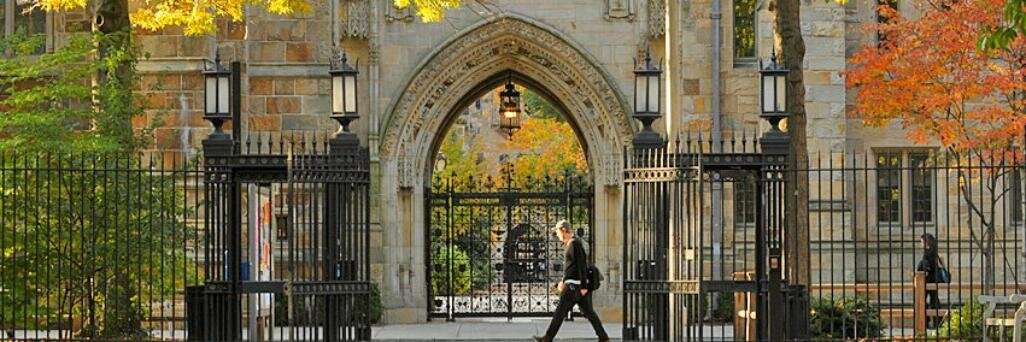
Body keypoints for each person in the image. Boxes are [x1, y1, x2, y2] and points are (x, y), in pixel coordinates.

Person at [534, 220, 609, 342]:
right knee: (589, 313)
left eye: (557, 232)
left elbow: (581, 266)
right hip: (574, 285)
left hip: (574, 287)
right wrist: (563, 280)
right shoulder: (571, 244)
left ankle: (548, 338)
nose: (557, 236)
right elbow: (571, 267)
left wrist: (584, 286)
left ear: (564, 230)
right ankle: (603, 337)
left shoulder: (575, 244)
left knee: (560, 312)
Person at [916, 233, 944, 329]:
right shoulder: (933, 252)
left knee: (923, 301)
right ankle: (937, 322)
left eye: (921, 241)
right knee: (934, 301)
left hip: (929, 280)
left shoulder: (928, 253)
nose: (920, 243)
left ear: (926, 242)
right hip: (932, 279)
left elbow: (927, 267)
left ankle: (927, 322)